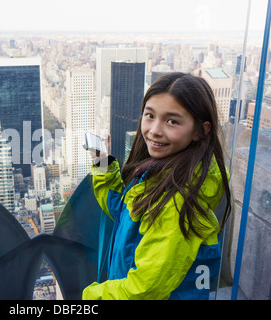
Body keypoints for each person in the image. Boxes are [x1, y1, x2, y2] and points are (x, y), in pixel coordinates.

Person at [82, 72, 231, 300]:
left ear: (202, 130)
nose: (155, 130)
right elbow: (124, 211)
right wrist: (102, 163)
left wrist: (89, 297)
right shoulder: (163, 175)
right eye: (150, 115)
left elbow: (143, 290)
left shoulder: (178, 202)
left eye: (172, 121)